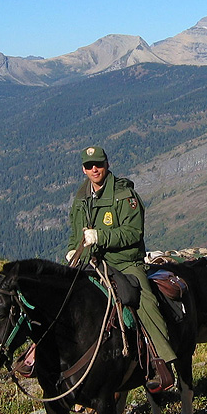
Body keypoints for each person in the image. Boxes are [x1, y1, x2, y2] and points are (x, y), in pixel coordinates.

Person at [66, 146, 176, 392]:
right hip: (91, 262)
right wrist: (74, 249)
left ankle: (163, 362)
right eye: (89, 166)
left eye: (98, 164)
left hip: (125, 262)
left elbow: (133, 232)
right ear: (83, 169)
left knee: (143, 299)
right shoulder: (81, 197)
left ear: (106, 163)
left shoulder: (124, 195)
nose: (94, 169)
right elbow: (76, 233)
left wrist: (100, 237)